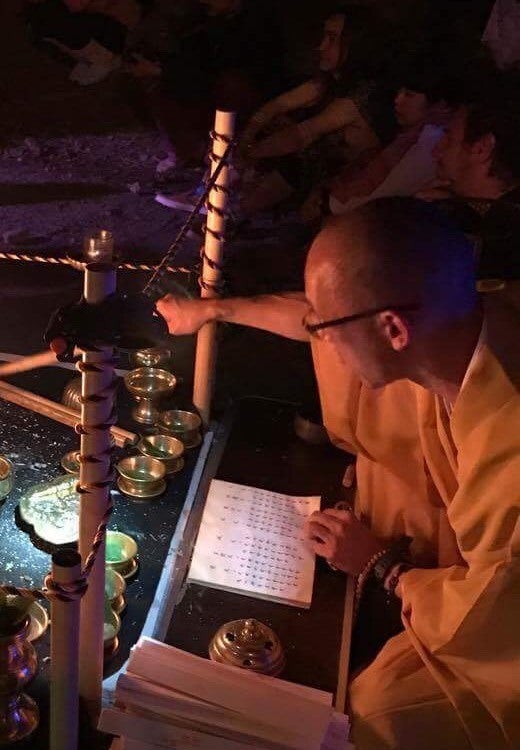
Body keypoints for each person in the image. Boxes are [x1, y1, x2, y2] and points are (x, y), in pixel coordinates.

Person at [157, 198, 519, 749]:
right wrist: (213, 310)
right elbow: (313, 314)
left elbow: (492, 621)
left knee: (373, 715)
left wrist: (385, 566)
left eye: (326, 328)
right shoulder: (457, 324)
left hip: (494, 643)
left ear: (393, 329)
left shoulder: (508, 442)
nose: (318, 340)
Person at [226, 5, 394, 215]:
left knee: (297, 155)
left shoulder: (361, 96)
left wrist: (246, 153)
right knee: (290, 157)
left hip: (349, 196)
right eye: (324, 36)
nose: (321, 46)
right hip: (315, 176)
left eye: (332, 39)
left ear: (355, 46)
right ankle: (237, 209)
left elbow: (300, 136)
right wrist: (247, 137)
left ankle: (241, 211)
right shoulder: (327, 83)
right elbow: (276, 106)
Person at [127, 0, 284, 181]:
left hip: (248, 98)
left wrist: (165, 71)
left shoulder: (258, 22)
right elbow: (192, 59)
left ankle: (229, 158)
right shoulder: (204, 20)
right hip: (208, 90)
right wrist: (162, 69)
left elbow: (233, 68)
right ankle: (193, 158)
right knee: (159, 88)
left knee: (231, 86)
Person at [309, 60, 453, 219]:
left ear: (438, 104)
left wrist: (326, 206)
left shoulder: (430, 143)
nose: (397, 100)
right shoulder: (408, 137)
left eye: (409, 95)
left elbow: (385, 197)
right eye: (399, 92)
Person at [420, 69, 520, 283]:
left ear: (482, 148)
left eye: (448, 138)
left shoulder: (501, 241)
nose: (436, 150)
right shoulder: (475, 214)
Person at [24, 0, 143, 85]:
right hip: (104, 28)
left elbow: (78, 6)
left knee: (49, 18)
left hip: (114, 28)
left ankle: (102, 58)